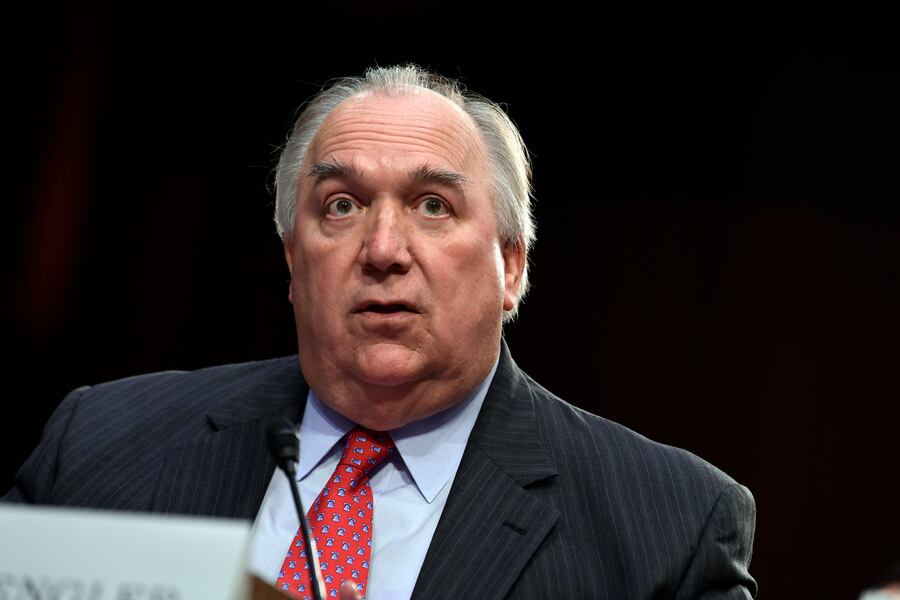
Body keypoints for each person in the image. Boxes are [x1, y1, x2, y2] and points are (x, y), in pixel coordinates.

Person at [3, 64, 757, 599]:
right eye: (341, 205)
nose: (384, 250)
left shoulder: (667, 529)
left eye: (433, 205)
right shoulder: (97, 446)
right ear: (293, 260)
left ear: (511, 266)